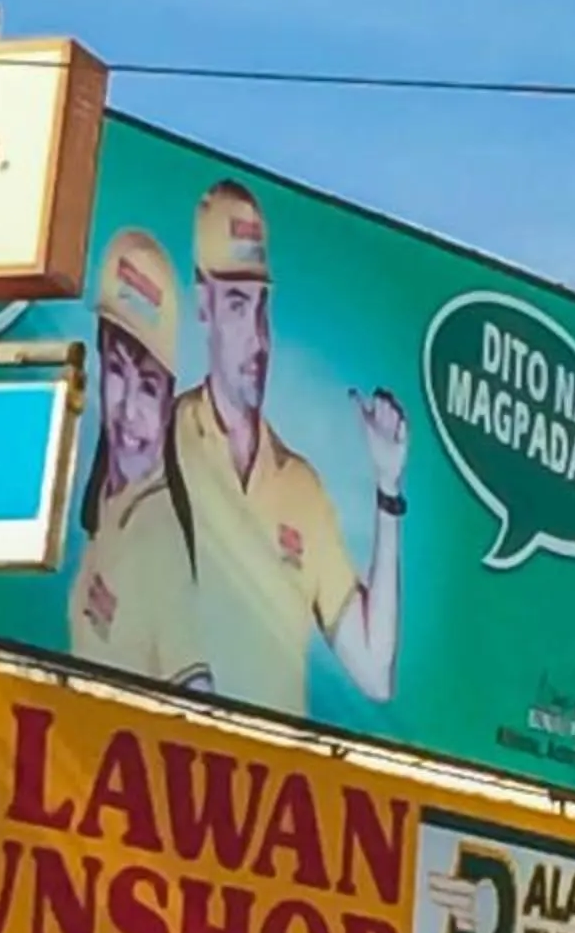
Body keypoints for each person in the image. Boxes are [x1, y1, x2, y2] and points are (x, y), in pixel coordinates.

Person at [173, 178, 408, 715]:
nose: (257, 337)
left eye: (262, 306)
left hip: (276, 783)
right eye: (236, 304)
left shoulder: (300, 485)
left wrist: (388, 490)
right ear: (201, 304)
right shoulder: (164, 443)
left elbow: (375, 672)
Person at [67, 229, 212, 693]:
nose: (128, 408)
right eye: (116, 370)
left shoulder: (160, 529)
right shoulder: (108, 509)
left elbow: (200, 698)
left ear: (170, 401)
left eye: (149, 387)